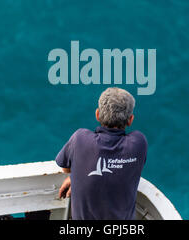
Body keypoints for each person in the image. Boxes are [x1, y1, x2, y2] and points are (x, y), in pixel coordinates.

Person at [55, 87, 148, 220]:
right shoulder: (139, 143)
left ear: (97, 114)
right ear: (130, 120)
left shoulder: (79, 138)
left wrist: (77, 176)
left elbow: (65, 167)